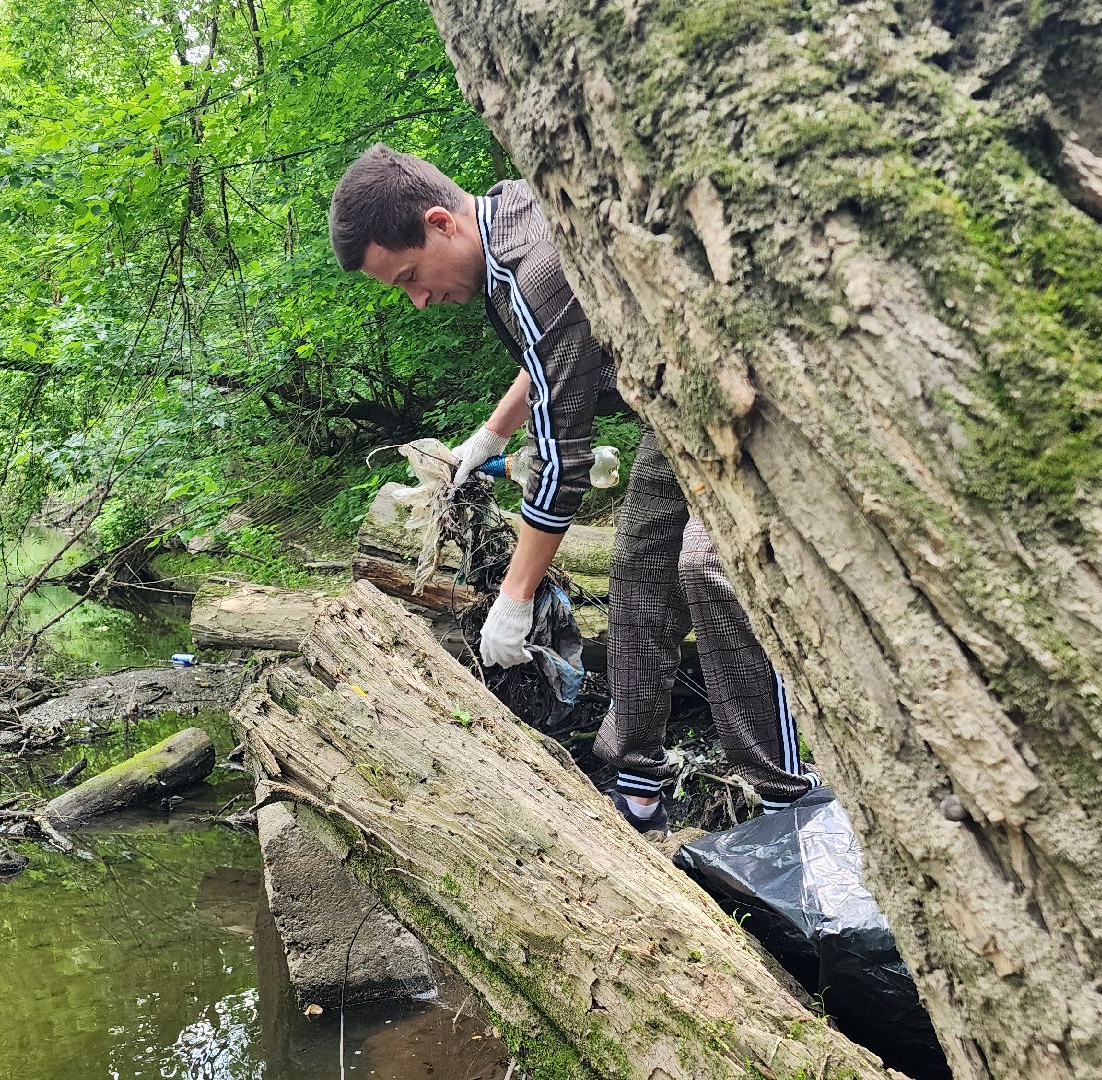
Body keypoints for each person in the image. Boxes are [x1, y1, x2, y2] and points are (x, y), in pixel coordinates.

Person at [328, 143, 815, 830]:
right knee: (638, 565)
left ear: (441, 223)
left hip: (747, 391)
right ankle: (637, 781)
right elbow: (556, 351)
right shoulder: (511, 211)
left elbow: (562, 465)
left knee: (706, 568)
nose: (419, 300)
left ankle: (786, 795)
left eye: (411, 276)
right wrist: (491, 437)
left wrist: (515, 598)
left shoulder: (533, 268)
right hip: (677, 408)